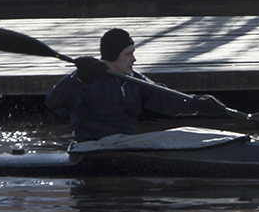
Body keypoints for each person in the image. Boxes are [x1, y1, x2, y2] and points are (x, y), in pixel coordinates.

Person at [45, 28, 227, 142]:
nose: (134, 59)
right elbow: (53, 102)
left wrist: (197, 104)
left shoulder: (135, 81)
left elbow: (166, 100)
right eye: (128, 54)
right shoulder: (86, 79)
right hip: (92, 146)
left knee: (185, 133)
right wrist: (77, 78)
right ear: (113, 55)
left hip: (124, 144)